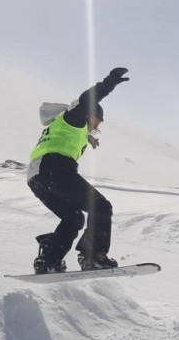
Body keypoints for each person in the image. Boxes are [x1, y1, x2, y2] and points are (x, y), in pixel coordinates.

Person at [27, 67, 129, 274]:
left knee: (73, 218)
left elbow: (68, 135)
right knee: (101, 207)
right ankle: (93, 257)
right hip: (54, 168)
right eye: (97, 122)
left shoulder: (68, 125)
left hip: (37, 177)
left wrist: (87, 137)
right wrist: (109, 82)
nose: (96, 128)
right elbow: (87, 99)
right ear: (90, 115)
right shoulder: (74, 117)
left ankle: (49, 260)